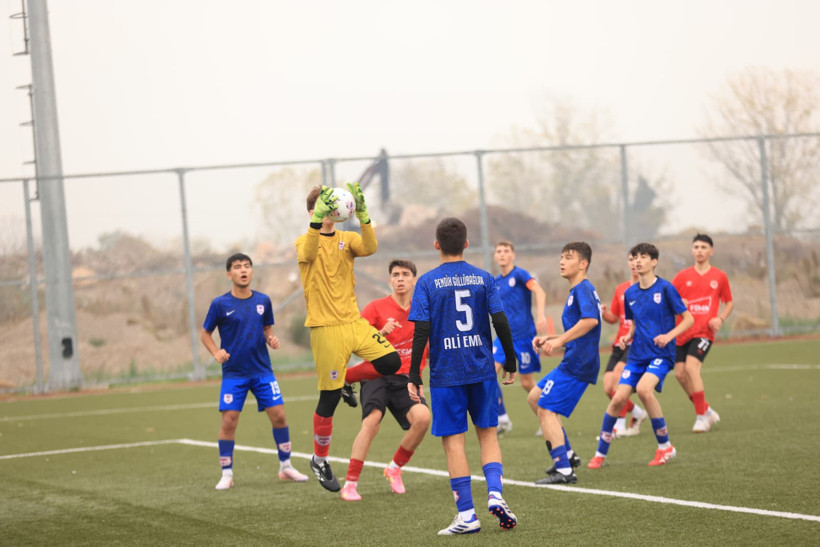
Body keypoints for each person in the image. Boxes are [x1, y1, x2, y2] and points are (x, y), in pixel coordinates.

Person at [407, 217, 518, 536]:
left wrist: (414, 373)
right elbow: (500, 320)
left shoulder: (426, 282)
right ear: (467, 244)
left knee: (454, 443)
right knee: (488, 434)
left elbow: (422, 331)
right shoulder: (484, 278)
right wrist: (509, 359)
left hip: (446, 374)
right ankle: (495, 492)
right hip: (482, 369)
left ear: (436, 245)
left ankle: (467, 514)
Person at [295, 183, 402, 493]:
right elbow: (310, 251)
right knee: (328, 400)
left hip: (353, 321)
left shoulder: (348, 238)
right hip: (325, 328)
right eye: (322, 206)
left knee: (390, 360)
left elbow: (370, 248)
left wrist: (365, 217)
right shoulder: (304, 241)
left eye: (332, 206)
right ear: (312, 212)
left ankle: (346, 379)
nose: (330, 211)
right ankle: (320, 458)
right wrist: (320, 218)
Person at [201, 253, 308, 490]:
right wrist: (215, 353)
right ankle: (226, 473)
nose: (243, 270)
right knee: (229, 420)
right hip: (234, 374)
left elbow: (266, 328)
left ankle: (286, 466)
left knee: (279, 415)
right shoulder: (220, 304)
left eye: (247, 266)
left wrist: (271, 339)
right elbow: (205, 334)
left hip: (262, 372)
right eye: (238, 267)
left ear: (252, 272)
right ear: (229, 274)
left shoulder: (263, 300)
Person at [588, 242, 694, 469]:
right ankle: (600, 454)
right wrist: (627, 336)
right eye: (635, 257)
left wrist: (668, 335)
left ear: (654, 262)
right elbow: (636, 323)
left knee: (645, 390)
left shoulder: (666, 289)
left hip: (661, 354)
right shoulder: (630, 293)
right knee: (617, 398)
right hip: (637, 355)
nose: (637, 261)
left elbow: (688, 319)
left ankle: (665, 447)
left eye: (643, 257)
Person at [339, 259, 432, 501]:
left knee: (423, 419)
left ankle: (395, 468)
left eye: (405, 274)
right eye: (396, 274)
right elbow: (357, 348)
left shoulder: (423, 309)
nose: (400, 278)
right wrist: (380, 335)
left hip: (406, 380)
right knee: (372, 421)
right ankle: (350, 483)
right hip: (377, 375)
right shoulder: (375, 308)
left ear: (414, 280)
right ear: (389, 280)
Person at [529, 242, 601, 484]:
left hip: (580, 363)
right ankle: (567, 454)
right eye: (561, 257)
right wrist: (549, 338)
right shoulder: (577, 291)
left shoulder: (583, 289)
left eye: (568, 258)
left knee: (546, 409)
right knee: (535, 398)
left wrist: (559, 340)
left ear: (583, 264)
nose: (562, 261)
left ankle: (565, 471)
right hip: (573, 359)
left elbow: (591, 321)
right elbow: (580, 328)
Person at [672, 233, 734, 433]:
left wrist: (720, 318)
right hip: (682, 332)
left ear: (711, 251)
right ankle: (706, 410)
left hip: (703, 332)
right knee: (680, 375)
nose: (699, 250)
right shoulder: (682, 277)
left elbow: (729, 302)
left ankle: (701, 417)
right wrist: (678, 304)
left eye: (703, 247)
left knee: (691, 368)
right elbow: (669, 301)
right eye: (696, 247)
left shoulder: (719, 276)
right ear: (692, 250)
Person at [492, 241, 548, 435]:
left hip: (525, 337)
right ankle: (502, 418)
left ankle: (546, 416)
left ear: (513, 255)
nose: (502, 254)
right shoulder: (496, 282)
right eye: (499, 251)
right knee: (489, 374)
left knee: (526, 382)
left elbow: (539, 291)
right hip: (503, 338)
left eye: (506, 251)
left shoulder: (521, 274)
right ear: (495, 256)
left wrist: (541, 315)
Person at [600, 254, 647, 437]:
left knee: (619, 377)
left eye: (638, 259)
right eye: (630, 259)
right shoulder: (621, 289)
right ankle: (637, 413)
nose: (634, 263)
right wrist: (605, 314)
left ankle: (618, 426)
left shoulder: (649, 289)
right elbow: (614, 318)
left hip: (637, 343)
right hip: (620, 343)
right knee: (608, 387)